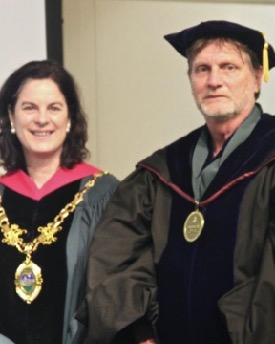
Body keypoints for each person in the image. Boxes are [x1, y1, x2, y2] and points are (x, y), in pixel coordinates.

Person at [81, 20, 275, 344]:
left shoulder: (269, 156)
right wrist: (139, 331)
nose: (214, 81)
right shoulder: (160, 171)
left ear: (257, 78)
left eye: (229, 67)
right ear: (190, 80)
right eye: (202, 69)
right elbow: (116, 258)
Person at [0, 60, 118, 344]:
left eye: (54, 108)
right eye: (29, 107)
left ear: (69, 120)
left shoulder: (104, 194)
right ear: (11, 118)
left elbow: (112, 297)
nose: (42, 119)